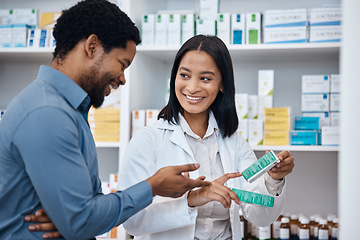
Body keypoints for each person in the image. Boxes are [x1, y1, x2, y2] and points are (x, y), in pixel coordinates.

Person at [0, 1, 211, 239]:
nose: (122, 79)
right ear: (92, 47)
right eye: (122, 65)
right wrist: (153, 186)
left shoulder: (70, 110)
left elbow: (87, 210)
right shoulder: (47, 113)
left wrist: (72, 218)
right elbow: (82, 221)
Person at [117, 35, 295, 240]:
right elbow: (131, 220)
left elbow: (259, 216)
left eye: (205, 78)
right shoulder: (148, 140)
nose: (192, 88)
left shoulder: (234, 143)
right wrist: (192, 199)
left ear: (222, 85)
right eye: (184, 75)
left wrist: (273, 179)